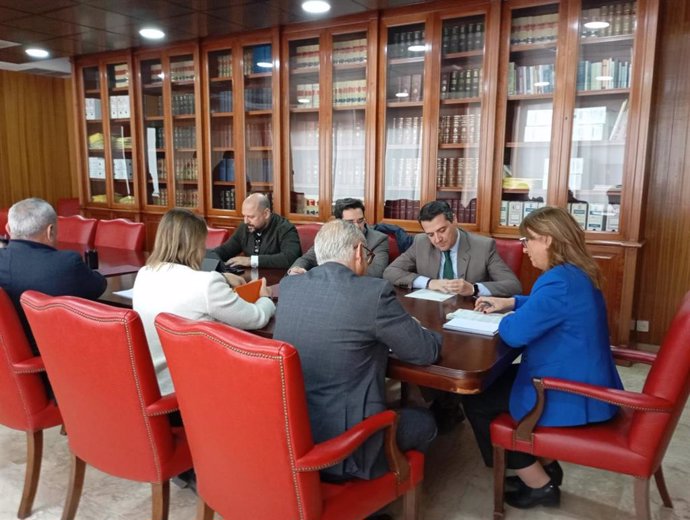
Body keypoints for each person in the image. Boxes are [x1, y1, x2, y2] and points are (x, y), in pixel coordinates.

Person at [463, 206, 623, 509]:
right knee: (494, 384)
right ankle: (545, 465)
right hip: (584, 377)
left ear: (547, 239)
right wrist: (511, 301)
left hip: (565, 390)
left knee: (477, 396)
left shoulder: (556, 281)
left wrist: (506, 316)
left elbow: (513, 334)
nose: (524, 249)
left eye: (527, 240)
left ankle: (539, 483)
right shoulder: (576, 273)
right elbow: (548, 306)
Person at [273, 220, 441, 482]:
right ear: (359, 252)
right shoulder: (372, 292)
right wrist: (427, 331)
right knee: (424, 421)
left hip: (292, 433)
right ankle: (375, 495)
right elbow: (423, 352)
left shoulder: (290, 287)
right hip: (346, 448)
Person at [133, 208, 275, 395]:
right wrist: (265, 298)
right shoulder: (205, 284)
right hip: (193, 391)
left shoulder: (145, 273)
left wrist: (223, 277)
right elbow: (255, 318)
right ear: (194, 245)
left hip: (154, 385)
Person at [0, 198, 106, 354]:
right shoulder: (66, 263)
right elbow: (99, 286)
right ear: (50, 231)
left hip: (9, 359)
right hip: (56, 357)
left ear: (8, 228)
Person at [383, 200, 522, 297]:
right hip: (431, 311)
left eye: (442, 230)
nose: (437, 239)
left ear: (454, 220)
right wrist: (430, 283)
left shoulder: (483, 246)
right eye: (430, 234)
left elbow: (513, 285)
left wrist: (474, 289)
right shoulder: (421, 242)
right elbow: (390, 272)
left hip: (468, 313)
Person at [288, 198, 389, 277]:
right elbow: (308, 258)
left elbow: (376, 272)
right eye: (350, 222)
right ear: (339, 222)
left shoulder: (379, 240)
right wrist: (296, 269)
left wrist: (332, 275)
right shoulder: (330, 235)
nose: (358, 226)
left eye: (360, 220)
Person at [213, 193, 301, 269]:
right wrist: (206, 257)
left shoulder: (285, 228)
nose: (245, 221)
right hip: (249, 280)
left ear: (266, 214)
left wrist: (251, 261)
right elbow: (225, 250)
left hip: (277, 282)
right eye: (244, 216)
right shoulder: (245, 227)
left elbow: (290, 258)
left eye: (251, 217)